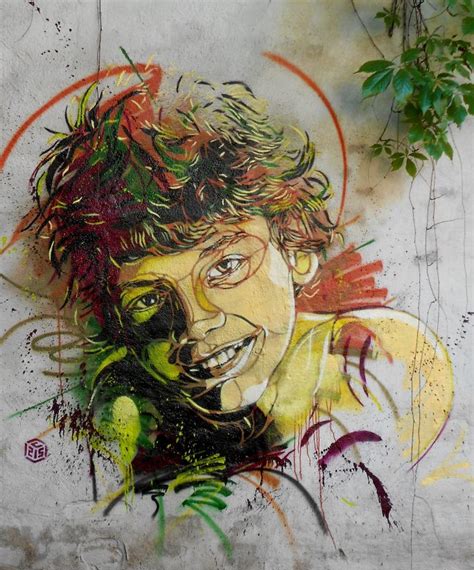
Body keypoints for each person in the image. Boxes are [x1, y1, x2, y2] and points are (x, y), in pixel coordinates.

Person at [29, 70, 453, 524]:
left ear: (296, 249)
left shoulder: (374, 360)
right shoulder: (146, 423)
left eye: (226, 267)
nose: (195, 325)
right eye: (148, 301)